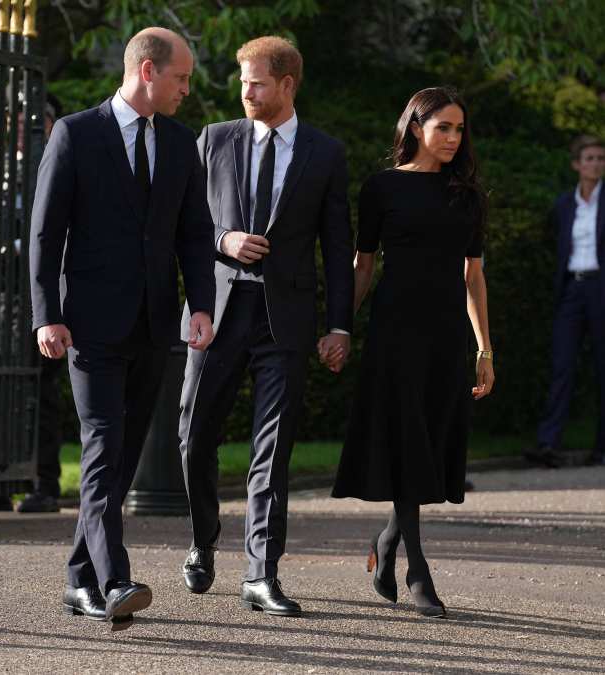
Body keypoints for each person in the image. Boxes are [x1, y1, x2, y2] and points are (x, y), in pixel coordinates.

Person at [29, 27, 216, 631]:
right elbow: (45, 231)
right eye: (181, 77)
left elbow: (193, 232)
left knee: (122, 457)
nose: (187, 89)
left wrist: (201, 305)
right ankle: (114, 581)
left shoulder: (183, 143)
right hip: (88, 324)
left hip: (154, 324)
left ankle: (79, 580)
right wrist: (46, 314)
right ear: (147, 72)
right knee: (104, 447)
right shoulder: (76, 134)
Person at [176, 36, 353, 617]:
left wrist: (339, 326)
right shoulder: (215, 138)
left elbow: (337, 245)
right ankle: (203, 540)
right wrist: (224, 240)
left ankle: (261, 572)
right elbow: (188, 223)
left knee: (272, 449)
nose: (244, 91)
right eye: (242, 81)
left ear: (287, 85)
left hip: (286, 318)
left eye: (256, 82)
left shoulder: (325, 154)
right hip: (217, 310)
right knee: (194, 433)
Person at [332, 87, 494, 618]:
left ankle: (385, 542)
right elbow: (363, 264)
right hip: (394, 331)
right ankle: (418, 569)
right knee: (407, 441)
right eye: (443, 126)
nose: (452, 137)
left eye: (459, 128)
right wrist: (340, 327)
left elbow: (474, 275)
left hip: (446, 335)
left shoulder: (466, 194)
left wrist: (484, 348)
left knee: (429, 442)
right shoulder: (381, 188)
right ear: (415, 127)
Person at [0, 95, 67, 513]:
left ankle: (45, 482)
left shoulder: (61, 164)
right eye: (18, 119)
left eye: (37, 119)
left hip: (42, 291)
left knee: (41, 389)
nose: (26, 126)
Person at [527, 135, 605, 468]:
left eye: (601, 158)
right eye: (589, 158)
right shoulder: (564, 205)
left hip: (601, 288)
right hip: (572, 289)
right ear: (576, 164)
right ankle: (548, 444)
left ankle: (602, 448)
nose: (596, 163)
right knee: (562, 366)